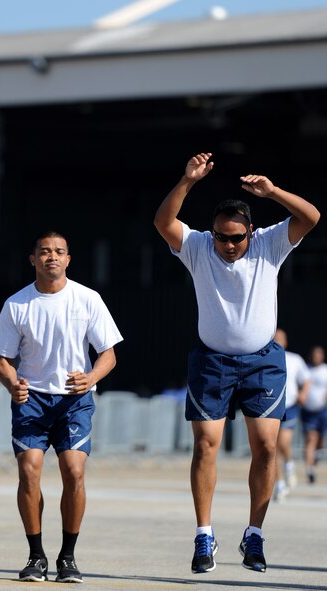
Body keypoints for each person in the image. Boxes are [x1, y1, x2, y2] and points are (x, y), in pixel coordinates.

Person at [153, 152, 320, 574]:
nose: (228, 246)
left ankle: (254, 535)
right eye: (221, 238)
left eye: (236, 238)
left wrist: (273, 191)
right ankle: (204, 534)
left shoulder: (269, 244)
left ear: (251, 232)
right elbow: (164, 223)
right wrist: (187, 181)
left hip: (263, 362)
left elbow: (312, 217)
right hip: (212, 361)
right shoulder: (198, 248)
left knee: (265, 446)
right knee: (205, 445)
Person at [0, 230, 123, 583]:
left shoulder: (87, 299)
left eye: (59, 251)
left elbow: (108, 355)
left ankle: (68, 556)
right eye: (45, 251)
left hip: (74, 399)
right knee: (29, 472)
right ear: (32, 259)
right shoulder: (16, 305)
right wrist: (12, 383)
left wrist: (91, 377)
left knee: (74, 471)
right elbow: (3, 361)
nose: (52, 256)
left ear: (68, 259)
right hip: (31, 398)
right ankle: (36, 556)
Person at [272, 328, 310, 501]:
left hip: (290, 405)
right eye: (275, 338)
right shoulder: (266, 358)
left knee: (282, 443)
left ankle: (288, 464)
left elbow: (306, 379)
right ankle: (279, 483)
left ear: (286, 342)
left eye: (281, 338)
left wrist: (304, 393)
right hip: (271, 405)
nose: (278, 341)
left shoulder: (295, 359)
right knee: (270, 447)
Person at [301, 345, 327, 483]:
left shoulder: (325, 370)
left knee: (320, 439)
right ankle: (309, 470)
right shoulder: (306, 370)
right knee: (310, 438)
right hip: (308, 410)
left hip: (322, 410)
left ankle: (317, 454)